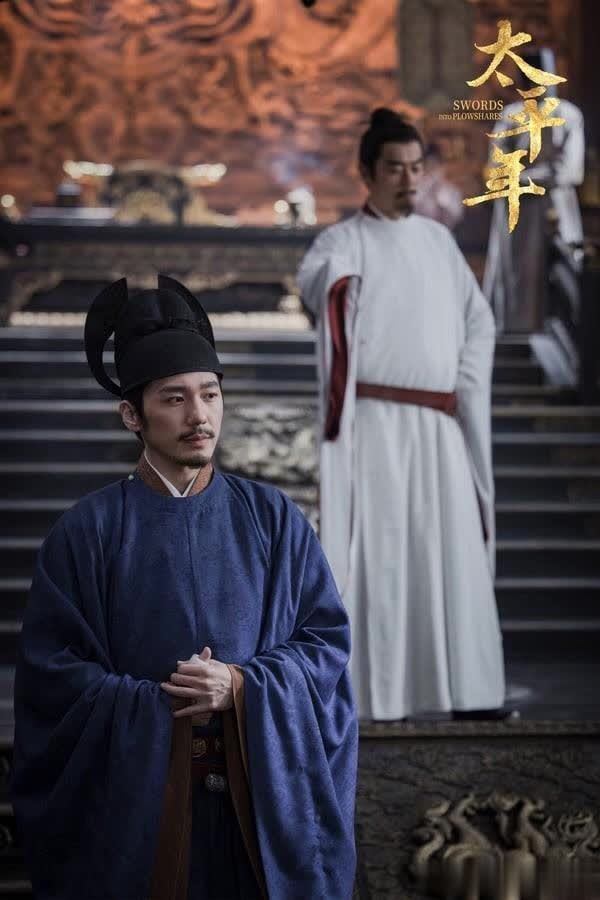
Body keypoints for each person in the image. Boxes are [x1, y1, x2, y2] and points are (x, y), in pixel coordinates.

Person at [12, 274, 357, 899]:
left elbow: (325, 644)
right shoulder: (86, 533)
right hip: (143, 815)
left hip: (256, 806)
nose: (199, 416)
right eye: (174, 398)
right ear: (132, 414)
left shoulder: (273, 519)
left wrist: (242, 686)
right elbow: (53, 679)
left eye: (210, 394)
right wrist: (157, 707)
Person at [298, 107, 507, 723]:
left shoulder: (439, 243)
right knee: (383, 558)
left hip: (438, 428)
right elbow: (316, 283)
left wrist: (461, 388)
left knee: (450, 555)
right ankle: (378, 695)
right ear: (367, 173)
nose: (409, 180)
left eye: (416, 168)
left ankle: (466, 691)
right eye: (395, 168)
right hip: (376, 426)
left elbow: (479, 322)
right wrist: (339, 285)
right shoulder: (342, 242)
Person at [483, 48, 585, 333]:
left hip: (555, 208)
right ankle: (515, 333)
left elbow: (570, 170)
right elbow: (496, 169)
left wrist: (526, 177)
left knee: (561, 274)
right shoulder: (511, 116)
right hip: (518, 211)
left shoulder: (568, 115)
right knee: (517, 273)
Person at [414, 142, 464, 230]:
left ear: (442, 166)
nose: (432, 172)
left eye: (435, 166)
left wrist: (440, 194)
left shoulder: (452, 191)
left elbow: (454, 217)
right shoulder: (416, 189)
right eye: (428, 166)